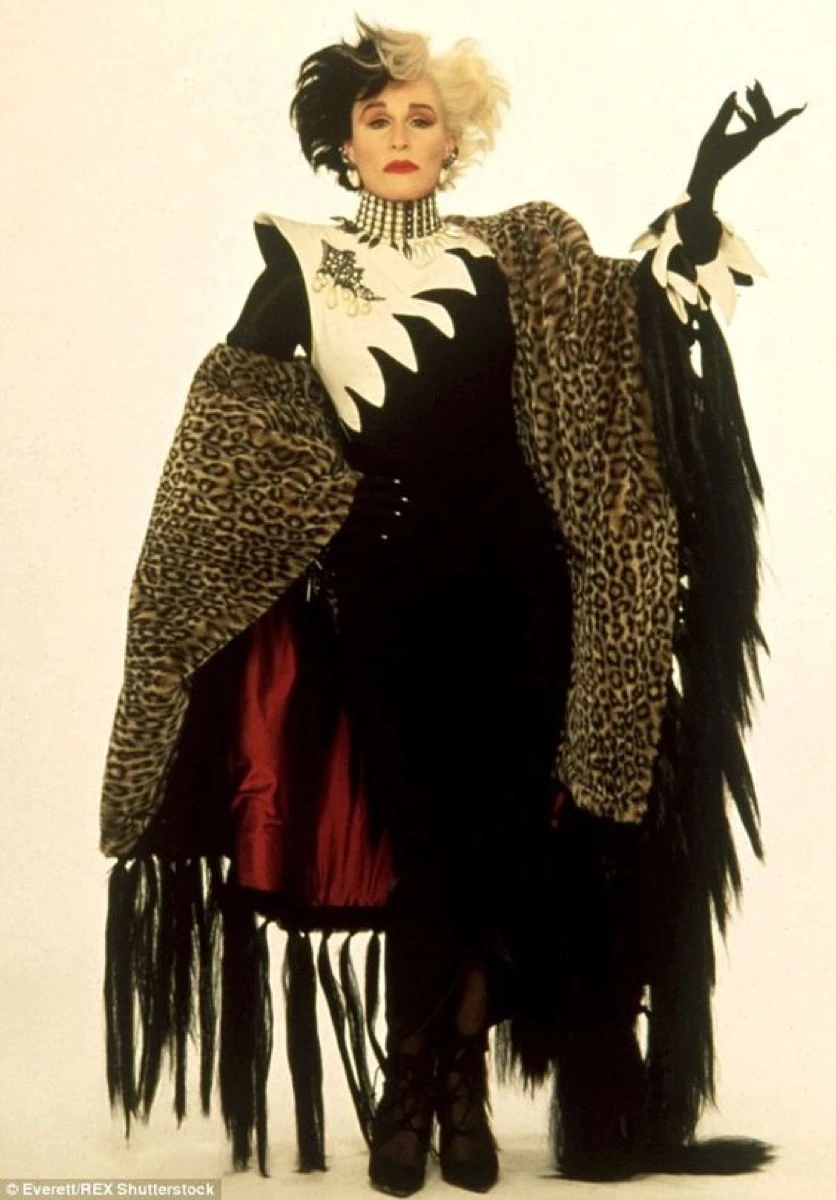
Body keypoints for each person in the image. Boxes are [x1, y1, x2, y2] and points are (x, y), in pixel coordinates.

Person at [99, 18, 802, 1197]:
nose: (398, 134)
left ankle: (446, 1083)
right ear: (341, 145)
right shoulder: (300, 265)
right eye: (375, 118)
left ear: (452, 138)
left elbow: (626, 326)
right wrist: (299, 527)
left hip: (526, 592)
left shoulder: (517, 254)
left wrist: (694, 198)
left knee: (508, 840)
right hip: (389, 600)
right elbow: (223, 443)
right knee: (429, 845)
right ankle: (414, 1079)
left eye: (420, 117)